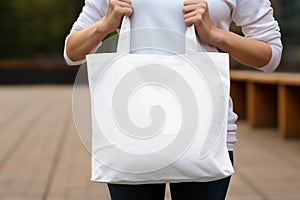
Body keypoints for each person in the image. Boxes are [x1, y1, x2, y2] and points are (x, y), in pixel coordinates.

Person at [64, 0, 282, 199]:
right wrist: (105, 24)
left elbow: (270, 56)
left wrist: (215, 34)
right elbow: (72, 52)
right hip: (131, 132)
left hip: (205, 134)